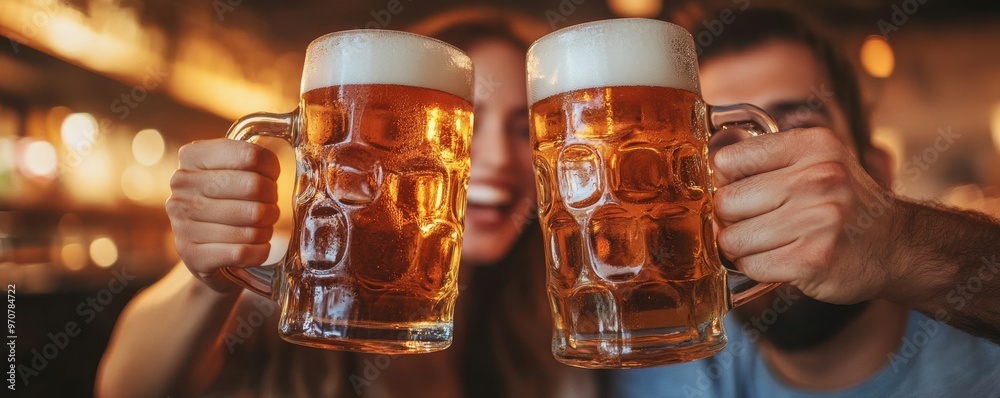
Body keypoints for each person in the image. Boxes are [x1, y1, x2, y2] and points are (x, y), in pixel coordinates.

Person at [96, 8, 601, 398]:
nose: (496, 160)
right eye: (464, 126)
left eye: (522, 130)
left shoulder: (547, 319)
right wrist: (210, 280)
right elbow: (125, 387)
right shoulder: (307, 271)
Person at [612, 8, 1000, 397]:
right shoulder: (662, 368)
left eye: (799, 131)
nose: (762, 175)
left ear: (877, 174)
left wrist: (898, 240)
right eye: (720, 144)